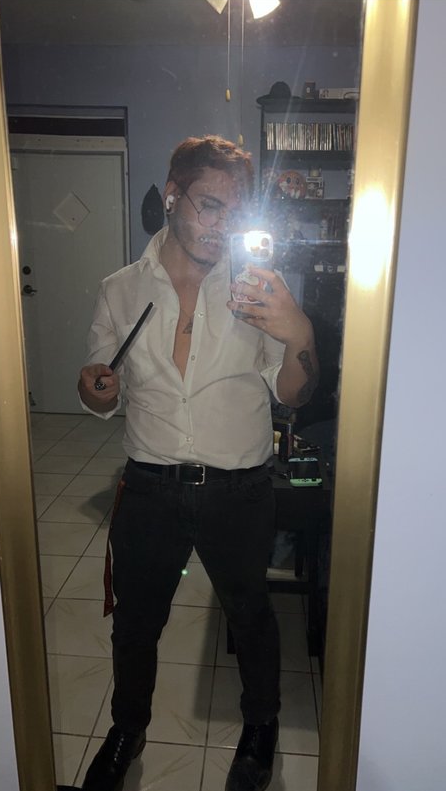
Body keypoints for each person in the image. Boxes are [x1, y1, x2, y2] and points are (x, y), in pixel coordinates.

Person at [78, 135, 318, 791]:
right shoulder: (120, 290)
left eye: (234, 212)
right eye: (209, 206)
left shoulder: (258, 291)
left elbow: (294, 394)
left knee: (251, 615)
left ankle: (261, 725)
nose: (220, 226)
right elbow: (100, 389)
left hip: (238, 489)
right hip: (149, 486)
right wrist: (94, 388)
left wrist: (299, 332)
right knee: (135, 624)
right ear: (172, 195)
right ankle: (128, 727)